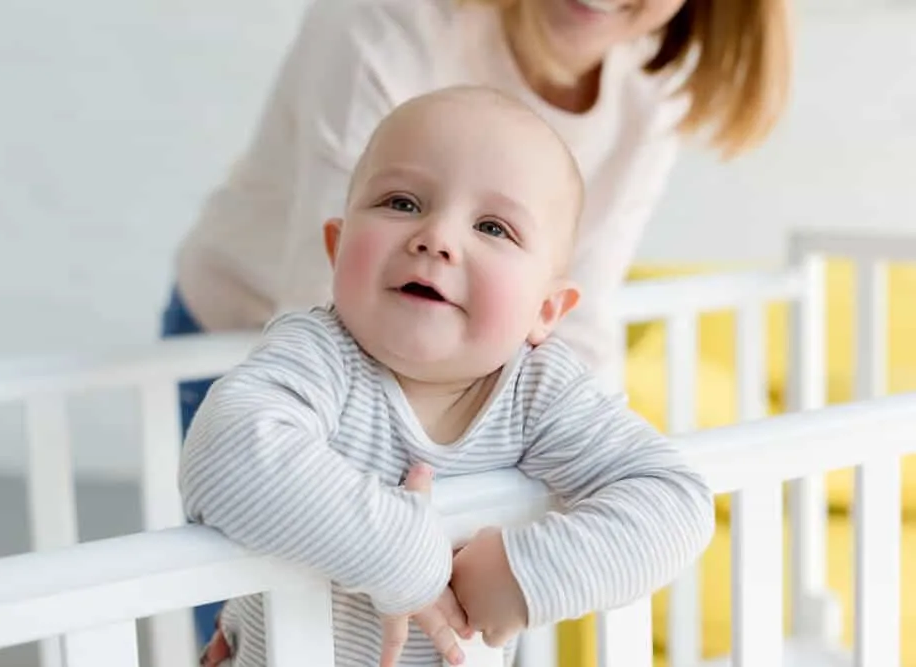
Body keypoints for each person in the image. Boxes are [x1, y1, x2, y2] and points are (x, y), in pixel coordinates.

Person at [164, 0, 788, 643]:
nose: (436, 237)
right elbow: (235, 447)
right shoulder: (320, 351)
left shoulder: (540, 389)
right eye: (402, 202)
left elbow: (672, 497)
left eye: (493, 226)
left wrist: (528, 569)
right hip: (251, 322)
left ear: (546, 311)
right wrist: (417, 563)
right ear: (338, 241)